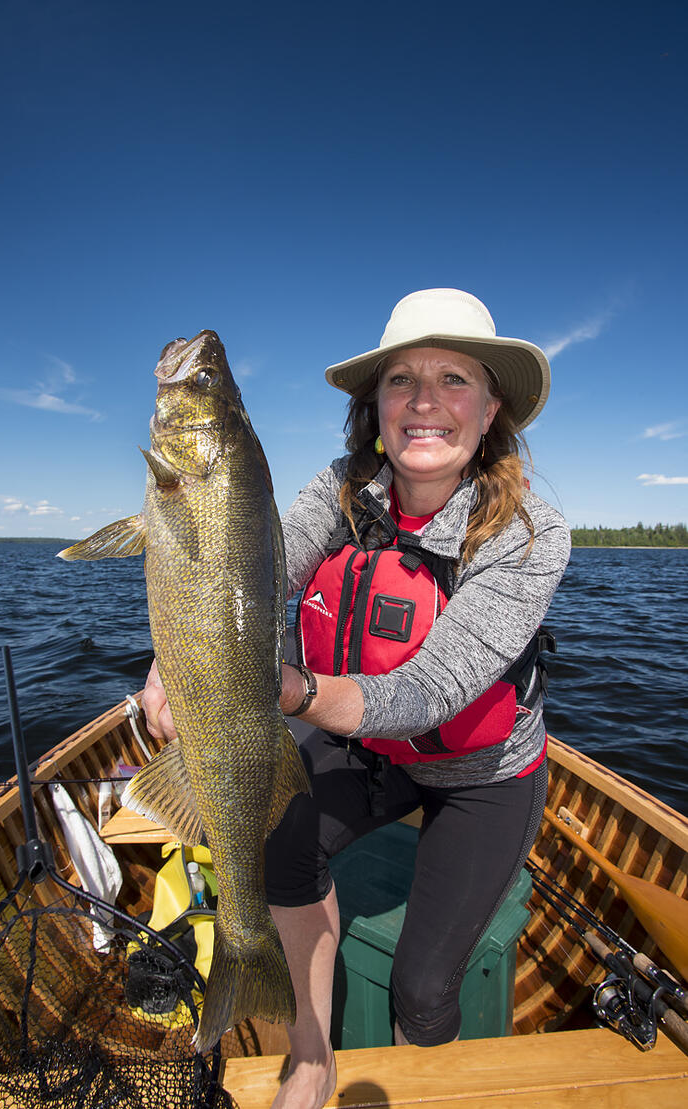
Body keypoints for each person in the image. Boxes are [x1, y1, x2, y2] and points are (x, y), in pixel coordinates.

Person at [142, 288, 571, 1109]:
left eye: (454, 378)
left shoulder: (532, 535)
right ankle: (311, 1049)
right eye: (401, 378)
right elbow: (246, 576)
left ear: (490, 412)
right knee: (273, 844)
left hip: (480, 769)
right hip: (366, 743)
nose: (425, 400)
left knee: (422, 983)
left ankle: (416, 1079)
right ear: (374, 405)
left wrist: (289, 688)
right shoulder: (339, 488)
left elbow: (427, 691)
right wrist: (176, 671)